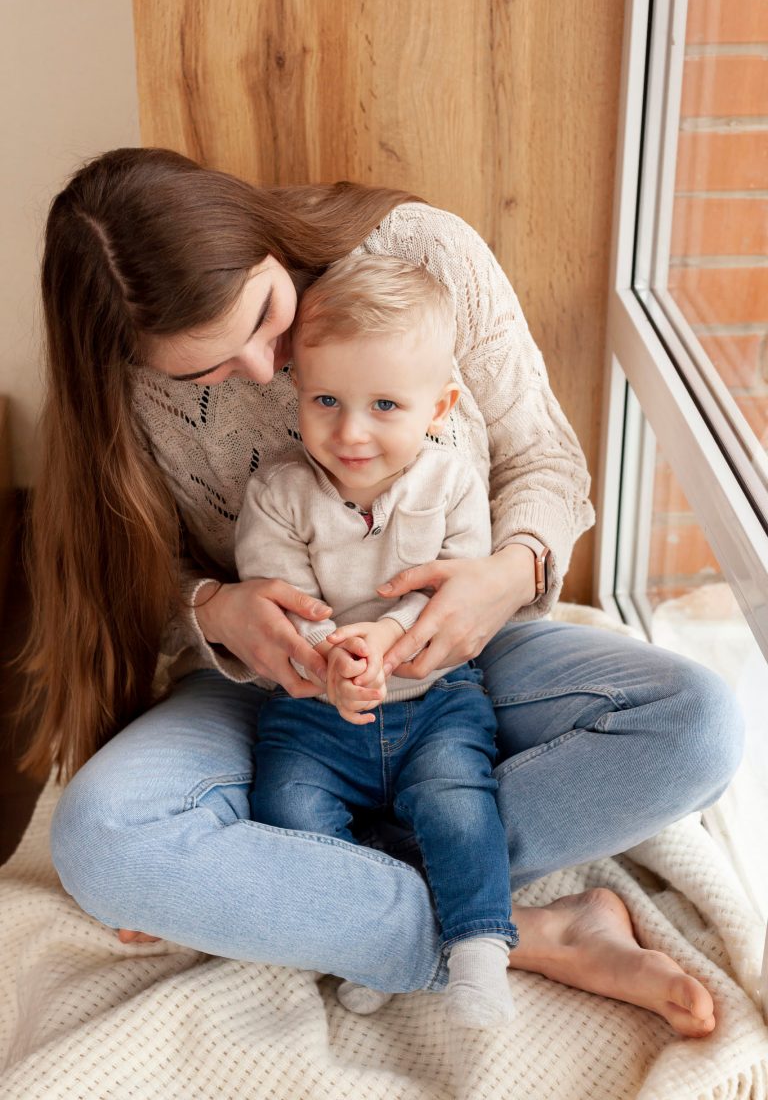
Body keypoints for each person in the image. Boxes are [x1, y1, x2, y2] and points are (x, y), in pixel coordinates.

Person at [23, 147, 743, 1040]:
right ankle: (512, 935)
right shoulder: (123, 390)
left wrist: (504, 574)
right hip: (263, 694)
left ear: (260, 241)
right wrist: (213, 610)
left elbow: (546, 462)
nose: (265, 368)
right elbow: (127, 581)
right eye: (203, 372)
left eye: (265, 316)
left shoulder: (427, 256)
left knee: (699, 723)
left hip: (460, 661)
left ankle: (301, 898)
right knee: (101, 840)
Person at [236, 255, 515, 1029]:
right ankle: (378, 935)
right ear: (297, 393)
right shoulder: (279, 492)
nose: (350, 430)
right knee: (284, 806)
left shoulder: (454, 482)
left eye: (385, 404)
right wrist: (330, 656)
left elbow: (450, 587)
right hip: (315, 709)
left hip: (435, 696)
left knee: (461, 801)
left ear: (438, 406)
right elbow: (279, 597)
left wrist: (387, 637)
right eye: (326, 399)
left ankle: (479, 949)